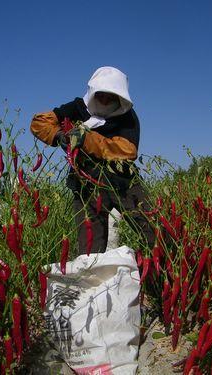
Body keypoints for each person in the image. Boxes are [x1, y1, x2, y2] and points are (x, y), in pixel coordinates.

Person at [30, 66, 154, 254]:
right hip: (86, 186)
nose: (104, 100)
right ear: (93, 92)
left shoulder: (126, 115)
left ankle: (159, 276)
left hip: (124, 184)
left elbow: (127, 150)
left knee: (154, 233)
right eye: (101, 95)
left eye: (110, 97)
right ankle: (95, 281)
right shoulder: (78, 108)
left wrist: (87, 139)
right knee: (90, 251)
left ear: (119, 98)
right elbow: (40, 122)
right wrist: (59, 136)